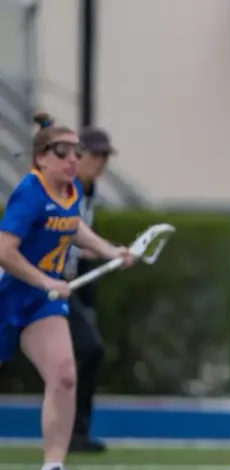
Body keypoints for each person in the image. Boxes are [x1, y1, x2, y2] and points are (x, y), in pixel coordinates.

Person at [0, 112, 134, 470]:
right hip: (9, 293)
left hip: (42, 303)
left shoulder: (71, 192)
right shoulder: (30, 192)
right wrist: (45, 280)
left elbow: (73, 228)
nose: (73, 159)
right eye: (63, 152)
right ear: (41, 157)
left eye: (77, 152)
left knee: (64, 375)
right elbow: (5, 251)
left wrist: (111, 251)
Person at [63, 126, 117, 453]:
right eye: (95, 155)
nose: (100, 162)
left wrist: (103, 251)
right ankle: (72, 434)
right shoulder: (60, 190)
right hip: (38, 284)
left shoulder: (88, 191)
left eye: (104, 156)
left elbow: (80, 238)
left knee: (84, 354)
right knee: (86, 352)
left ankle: (74, 434)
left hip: (65, 287)